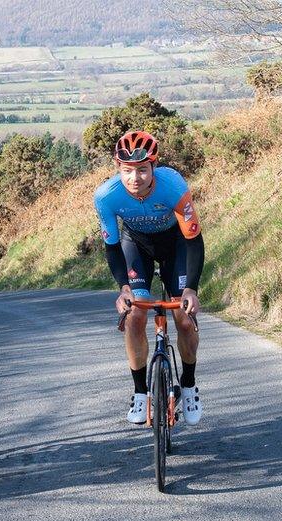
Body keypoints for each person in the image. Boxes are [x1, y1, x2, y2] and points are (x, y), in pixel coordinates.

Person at [93, 131, 205, 426]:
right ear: (118, 169)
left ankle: (190, 385)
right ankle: (140, 392)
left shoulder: (173, 186)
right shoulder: (106, 195)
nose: (135, 178)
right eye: (127, 171)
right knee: (135, 315)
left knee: (183, 317)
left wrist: (191, 288)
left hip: (175, 244)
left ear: (153, 167)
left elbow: (193, 240)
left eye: (142, 170)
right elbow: (112, 246)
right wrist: (123, 288)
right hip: (135, 245)